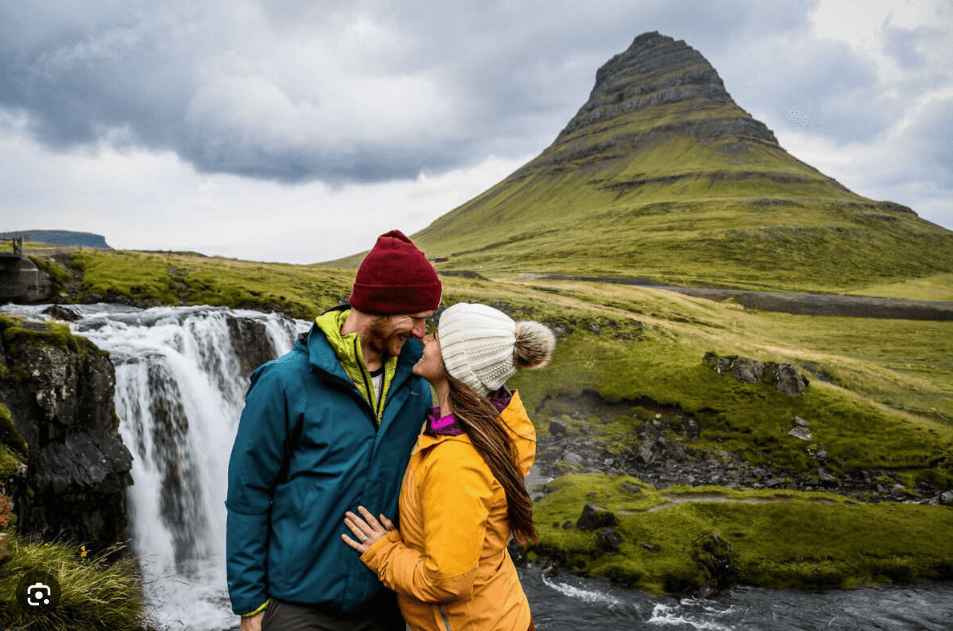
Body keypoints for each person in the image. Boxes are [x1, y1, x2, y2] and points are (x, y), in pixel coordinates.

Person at [226, 229, 442, 631]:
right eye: (413, 318)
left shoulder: (417, 386)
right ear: (378, 307)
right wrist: (250, 602)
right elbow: (247, 494)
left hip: (384, 602)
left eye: (424, 320)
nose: (419, 331)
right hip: (297, 607)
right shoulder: (284, 382)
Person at [342, 302, 556, 631]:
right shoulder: (496, 426)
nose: (425, 339)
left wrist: (383, 551)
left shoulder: (455, 461)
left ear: (459, 364)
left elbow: (446, 582)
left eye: (439, 338)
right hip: (503, 614)